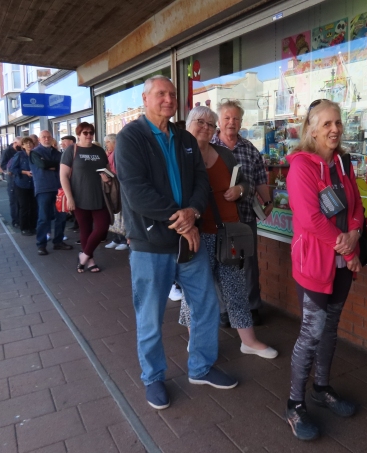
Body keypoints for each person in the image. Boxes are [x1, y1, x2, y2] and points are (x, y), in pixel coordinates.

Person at [115, 75, 237, 410]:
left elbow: (200, 180)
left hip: (189, 240)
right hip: (151, 244)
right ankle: (153, 378)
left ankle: (200, 367)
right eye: (160, 94)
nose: (168, 99)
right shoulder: (131, 137)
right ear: (145, 98)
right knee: (151, 316)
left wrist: (194, 211)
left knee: (206, 304)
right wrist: (182, 221)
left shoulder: (184, 137)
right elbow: (136, 191)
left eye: (172, 94)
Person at [283, 99, 364, 441]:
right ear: (311, 129)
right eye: (327, 124)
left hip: (342, 263)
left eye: (338, 123)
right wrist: (346, 247)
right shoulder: (300, 166)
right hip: (316, 263)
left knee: (330, 329)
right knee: (312, 333)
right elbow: (310, 218)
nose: (334, 129)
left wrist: (356, 232)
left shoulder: (344, 163)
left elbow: (357, 205)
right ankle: (294, 404)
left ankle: (321, 388)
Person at [177, 106, 278, 359]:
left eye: (210, 124)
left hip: (228, 232)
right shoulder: (179, 155)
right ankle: (195, 339)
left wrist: (240, 191)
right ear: (189, 124)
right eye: (200, 122)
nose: (205, 127)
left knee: (235, 289)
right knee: (195, 291)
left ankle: (248, 340)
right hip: (197, 233)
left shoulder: (224, 154)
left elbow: (244, 181)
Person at [212, 100, 273, 326]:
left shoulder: (249, 149)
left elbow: (259, 179)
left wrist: (267, 200)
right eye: (227, 118)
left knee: (248, 263)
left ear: (241, 122)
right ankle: (225, 309)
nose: (231, 122)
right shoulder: (208, 147)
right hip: (217, 218)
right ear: (219, 121)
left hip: (246, 215)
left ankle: (252, 306)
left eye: (236, 118)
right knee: (221, 263)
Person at [60, 123, 111, 272]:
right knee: (85, 229)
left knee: (102, 227)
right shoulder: (71, 150)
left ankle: (84, 255)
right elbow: (63, 176)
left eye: (91, 133)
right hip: (79, 196)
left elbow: (107, 171)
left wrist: (107, 178)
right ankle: (91, 260)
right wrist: (69, 197)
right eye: (85, 133)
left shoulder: (99, 150)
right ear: (79, 135)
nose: (89, 135)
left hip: (99, 196)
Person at [29, 130, 74, 256]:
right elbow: (42, 165)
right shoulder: (35, 153)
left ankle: (58, 242)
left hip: (59, 188)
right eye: (44, 137)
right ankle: (41, 245)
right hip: (43, 189)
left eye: (49, 137)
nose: (47, 139)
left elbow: (63, 166)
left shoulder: (57, 153)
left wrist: (52, 165)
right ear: (39, 139)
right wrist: (53, 165)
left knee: (61, 216)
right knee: (43, 218)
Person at [103, 133, 128, 251]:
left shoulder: (119, 154)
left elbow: (121, 171)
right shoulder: (108, 155)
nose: (106, 145)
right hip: (113, 186)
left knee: (121, 213)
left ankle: (123, 239)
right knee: (114, 212)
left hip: (120, 186)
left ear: (114, 142)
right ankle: (116, 238)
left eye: (108, 142)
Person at [9, 137, 37, 236]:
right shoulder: (19, 155)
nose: (28, 145)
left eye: (30, 143)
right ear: (23, 145)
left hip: (34, 184)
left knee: (33, 206)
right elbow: (13, 169)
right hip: (21, 184)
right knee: (24, 206)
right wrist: (25, 172)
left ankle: (32, 226)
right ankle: (24, 228)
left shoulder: (35, 155)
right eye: (26, 143)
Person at [0, 137, 23, 227]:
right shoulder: (7, 152)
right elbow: (3, 165)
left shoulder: (21, 150)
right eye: (19, 144)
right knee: (14, 200)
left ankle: (22, 219)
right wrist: (11, 169)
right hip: (12, 178)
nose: (21, 146)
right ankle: (15, 220)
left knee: (21, 200)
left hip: (21, 177)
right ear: (14, 143)